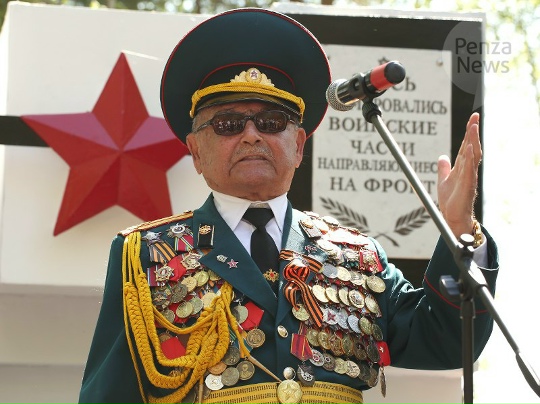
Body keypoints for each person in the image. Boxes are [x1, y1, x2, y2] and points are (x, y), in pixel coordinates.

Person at [78, 7, 499, 404]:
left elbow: (445, 339)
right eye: (228, 124)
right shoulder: (146, 256)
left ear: (298, 146)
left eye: (271, 122)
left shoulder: (357, 258)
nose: (251, 135)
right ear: (196, 152)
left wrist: (460, 229)